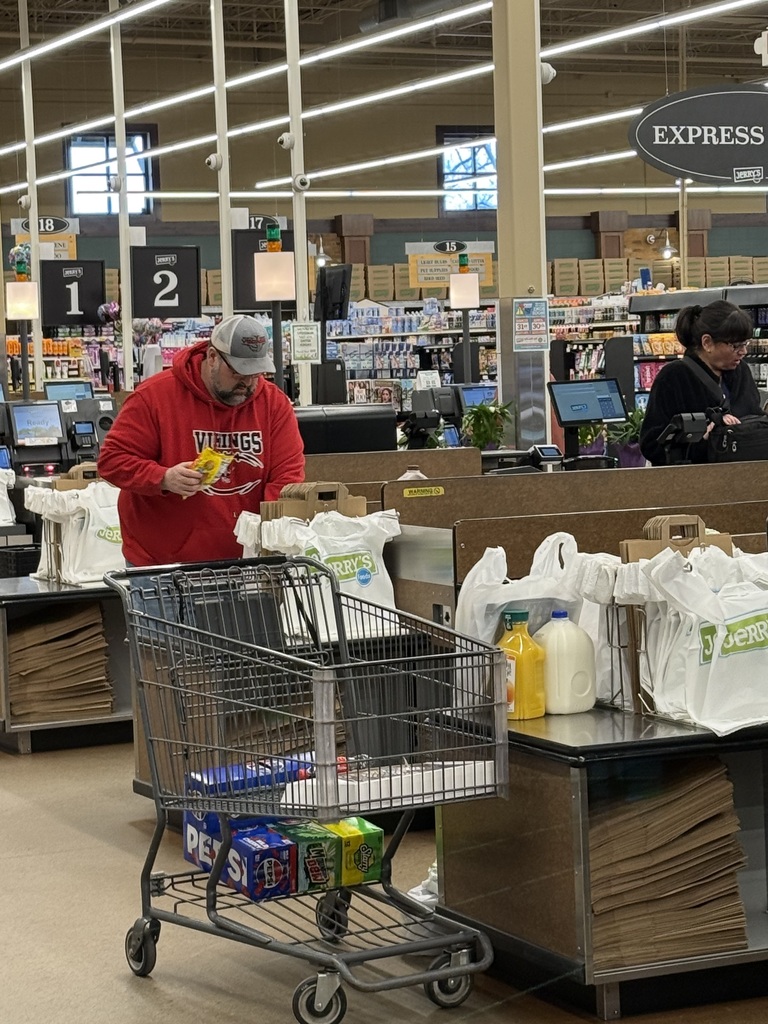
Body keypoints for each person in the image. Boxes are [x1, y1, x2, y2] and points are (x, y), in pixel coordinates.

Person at [98, 314, 305, 566]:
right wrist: (163, 478)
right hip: (161, 565)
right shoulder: (154, 397)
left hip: (248, 562)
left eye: (256, 373)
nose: (248, 383)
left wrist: (267, 535)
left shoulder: (274, 404)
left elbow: (287, 475)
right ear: (213, 357)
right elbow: (112, 461)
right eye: (238, 372)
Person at [639, 300, 761, 466]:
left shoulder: (741, 372)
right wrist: (702, 441)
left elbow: (754, 417)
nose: (743, 352)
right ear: (707, 342)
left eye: (745, 344)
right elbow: (651, 445)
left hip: (743, 475)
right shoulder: (673, 377)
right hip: (694, 478)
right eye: (735, 346)